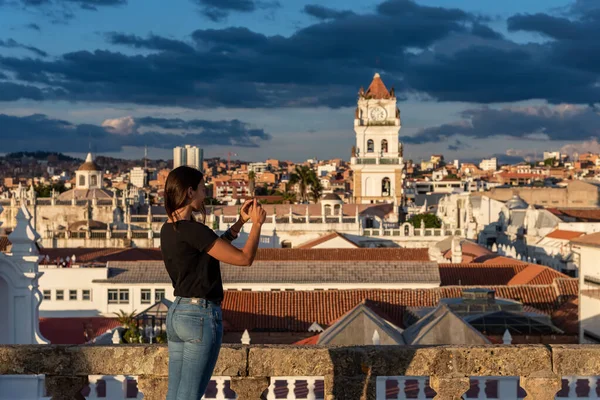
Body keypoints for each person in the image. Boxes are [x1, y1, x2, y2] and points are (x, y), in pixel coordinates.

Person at [160, 166, 267, 400]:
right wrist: (257, 225)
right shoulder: (194, 230)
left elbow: (209, 250)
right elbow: (244, 258)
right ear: (189, 192)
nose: (205, 193)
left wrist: (240, 223)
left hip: (178, 312)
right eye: (201, 188)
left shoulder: (168, 229)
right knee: (189, 396)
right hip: (199, 314)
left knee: (175, 395)